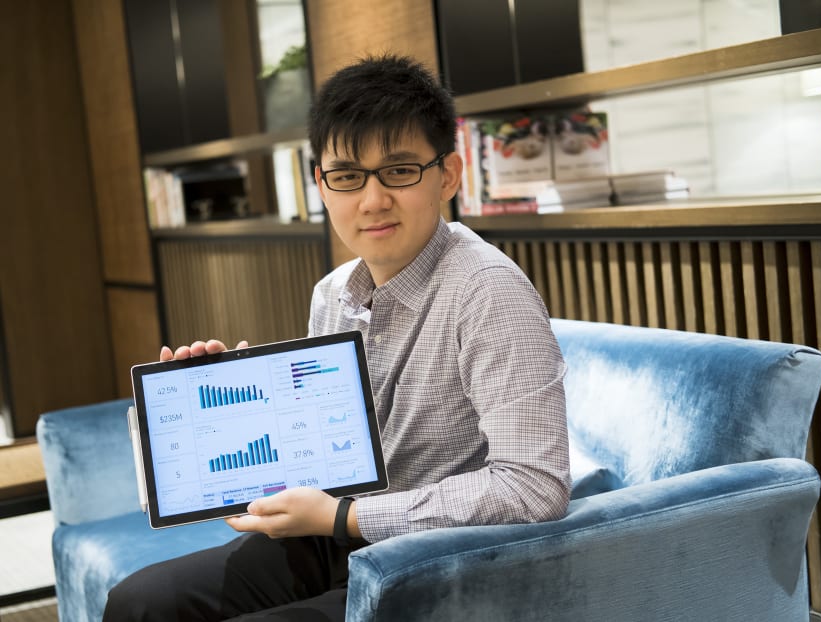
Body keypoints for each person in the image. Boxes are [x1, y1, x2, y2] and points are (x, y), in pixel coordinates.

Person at [103, 54, 570, 621]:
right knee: (139, 604)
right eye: (347, 176)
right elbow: (326, 458)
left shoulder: (487, 291)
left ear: (448, 173)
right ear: (321, 184)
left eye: (399, 171)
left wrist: (342, 517)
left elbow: (534, 487)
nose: (372, 200)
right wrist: (238, 406)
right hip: (335, 539)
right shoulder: (333, 292)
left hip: (438, 564)